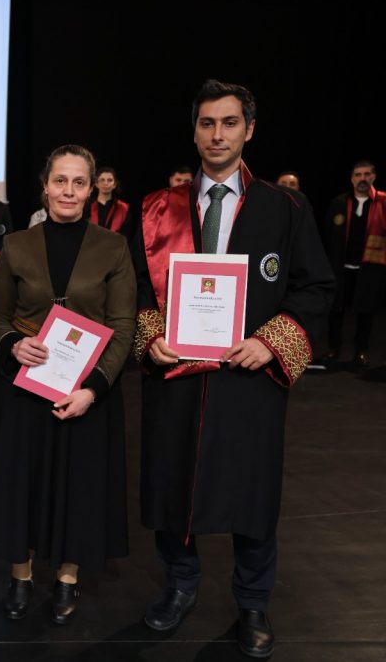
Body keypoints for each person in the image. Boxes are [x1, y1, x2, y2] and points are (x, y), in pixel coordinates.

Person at [132, 80, 334, 659]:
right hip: (177, 377)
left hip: (249, 378)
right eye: (206, 123)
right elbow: (137, 288)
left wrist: (273, 343)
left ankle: (252, 603)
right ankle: (180, 586)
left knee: (253, 493)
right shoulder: (156, 209)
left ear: (249, 130)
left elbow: (316, 287)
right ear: (194, 130)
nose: (216, 135)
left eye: (228, 123)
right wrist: (151, 336)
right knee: (172, 483)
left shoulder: (285, 207)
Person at [0, 144, 135, 622]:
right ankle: (20, 576)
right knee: (20, 483)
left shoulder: (113, 247)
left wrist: (93, 389)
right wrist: (12, 346)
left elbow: (123, 324)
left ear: (92, 189)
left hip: (85, 391)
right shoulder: (18, 244)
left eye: (79, 182)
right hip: (24, 387)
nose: (68, 191)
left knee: (78, 485)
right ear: (45, 186)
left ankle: (67, 578)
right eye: (60, 180)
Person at [319, 160, 386, 369]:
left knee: (366, 311)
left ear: (373, 177)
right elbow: (327, 234)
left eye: (367, 174)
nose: (362, 179)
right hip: (340, 267)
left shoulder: (382, 204)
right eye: (358, 175)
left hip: (369, 267)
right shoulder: (339, 203)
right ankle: (333, 348)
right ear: (351, 179)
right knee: (336, 310)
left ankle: (361, 351)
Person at [86, 166, 134, 239]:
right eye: (102, 180)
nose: (106, 183)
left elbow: (126, 235)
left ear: (114, 185)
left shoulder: (123, 208)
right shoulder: (87, 206)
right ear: (96, 184)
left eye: (110, 180)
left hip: (115, 245)